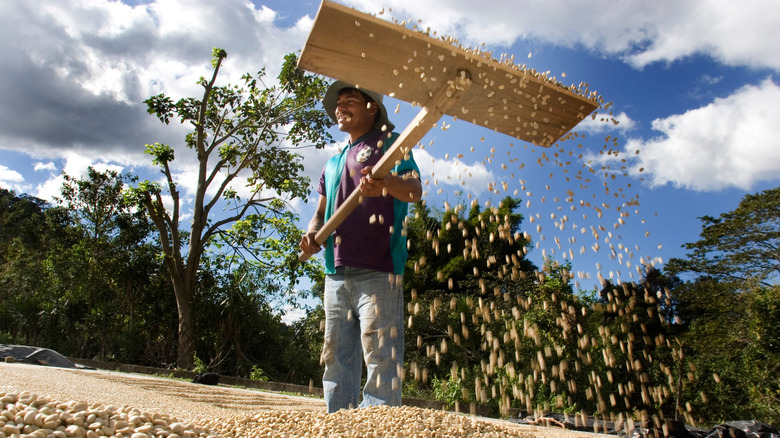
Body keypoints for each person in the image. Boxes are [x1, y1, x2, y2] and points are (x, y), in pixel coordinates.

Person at [299, 81, 422, 413]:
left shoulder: (391, 144)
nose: (340, 107)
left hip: (379, 267)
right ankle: (338, 423)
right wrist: (312, 233)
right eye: (338, 103)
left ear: (372, 107)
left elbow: (414, 191)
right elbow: (321, 212)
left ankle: (375, 428)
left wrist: (386, 184)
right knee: (336, 357)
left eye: (349, 100)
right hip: (335, 270)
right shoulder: (333, 161)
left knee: (380, 355)